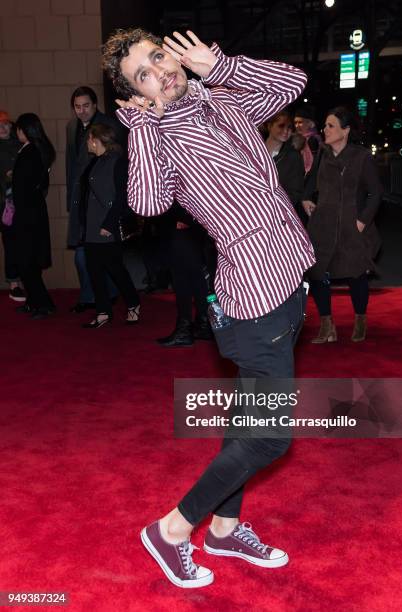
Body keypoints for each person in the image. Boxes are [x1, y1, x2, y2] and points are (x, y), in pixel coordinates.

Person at [102, 28, 315, 588]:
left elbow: (293, 82)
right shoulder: (159, 134)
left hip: (290, 278)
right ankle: (172, 530)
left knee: (247, 422)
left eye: (157, 57)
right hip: (253, 297)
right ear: (138, 94)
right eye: (141, 76)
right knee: (269, 437)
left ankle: (224, 530)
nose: (158, 72)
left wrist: (218, 62)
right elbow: (148, 202)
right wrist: (144, 127)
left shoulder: (221, 93)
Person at [302, 107, 383, 343]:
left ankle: (360, 320)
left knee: (355, 274)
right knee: (318, 274)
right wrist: (306, 198)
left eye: (331, 126)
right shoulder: (323, 153)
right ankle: (327, 326)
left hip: (352, 225)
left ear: (345, 130)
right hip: (322, 225)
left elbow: (375, 193)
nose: (325, 130)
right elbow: (309, 183)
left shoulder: (362, 156)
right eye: (325, 125)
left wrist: (361, 222)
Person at [74, 123, 140, 328]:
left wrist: (109, 223)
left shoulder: (118, 162)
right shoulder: (94, 162)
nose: (86, 142)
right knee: (93, 270)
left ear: (96, 139)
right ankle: (103, 312)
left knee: (115, 269)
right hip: (92, 225)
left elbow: (122, 197)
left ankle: (133, 303)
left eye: (88, 138)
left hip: (107, 226)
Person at [66, 86, 120, 313]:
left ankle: (105, 297)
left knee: (98, 256)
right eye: (77, 107)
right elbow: (71, 166)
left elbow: (116, 163)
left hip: (101, 201)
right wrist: (71, 199)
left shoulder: (109, 124)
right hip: (81, 200)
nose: (82, 111)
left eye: (86, 105)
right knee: (85, 255)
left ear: (95, 105)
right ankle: (95, 297)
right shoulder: (71, 127)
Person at [12, 113, 56, 319]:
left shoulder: (30, 153)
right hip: (32, 212)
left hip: (28, 214)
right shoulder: (35, 151)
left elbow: (24, 186)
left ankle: (43, 304)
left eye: (19, 128)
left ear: (26, 130)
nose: (17, 132)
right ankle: (34, 302)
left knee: (27, 262)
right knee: (28, 261)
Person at [156, 201, 214, 347]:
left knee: (181, 276)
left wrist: (186, 218)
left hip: (183, 222)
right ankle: (203, 324)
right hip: (191, 223)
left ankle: (185, 330)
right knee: (194, 274)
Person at [0, 110, 24, 301]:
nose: (2, 128)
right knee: (10, 242)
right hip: (5, 204)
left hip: (23, 201)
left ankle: (26, 279)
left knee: (24, 241)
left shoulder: (21, 144)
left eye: (5, 124)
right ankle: (14, 282)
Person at [263, 110, 305, 217]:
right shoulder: (253, 151)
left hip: (275, 215)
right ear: (269, 126)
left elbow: (294, 193)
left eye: (290, 127)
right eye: (281, 126)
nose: (286, 131)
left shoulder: (294, 157)